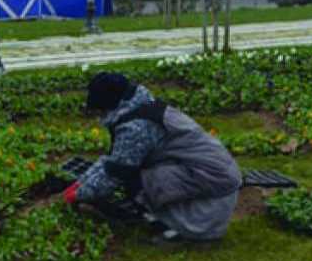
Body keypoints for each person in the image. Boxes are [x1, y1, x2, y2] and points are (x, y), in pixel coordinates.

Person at [63, 72, 242, 244]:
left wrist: (78, 195)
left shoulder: (136, 127)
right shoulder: (141, 106)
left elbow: (116, 173)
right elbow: (111, 160)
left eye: (98, 110)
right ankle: (171, 221)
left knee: (136, 181)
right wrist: (81, 182)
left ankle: (177, 230)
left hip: (214, 191)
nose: (98, 115)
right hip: (215, 176)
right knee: (136, 175)